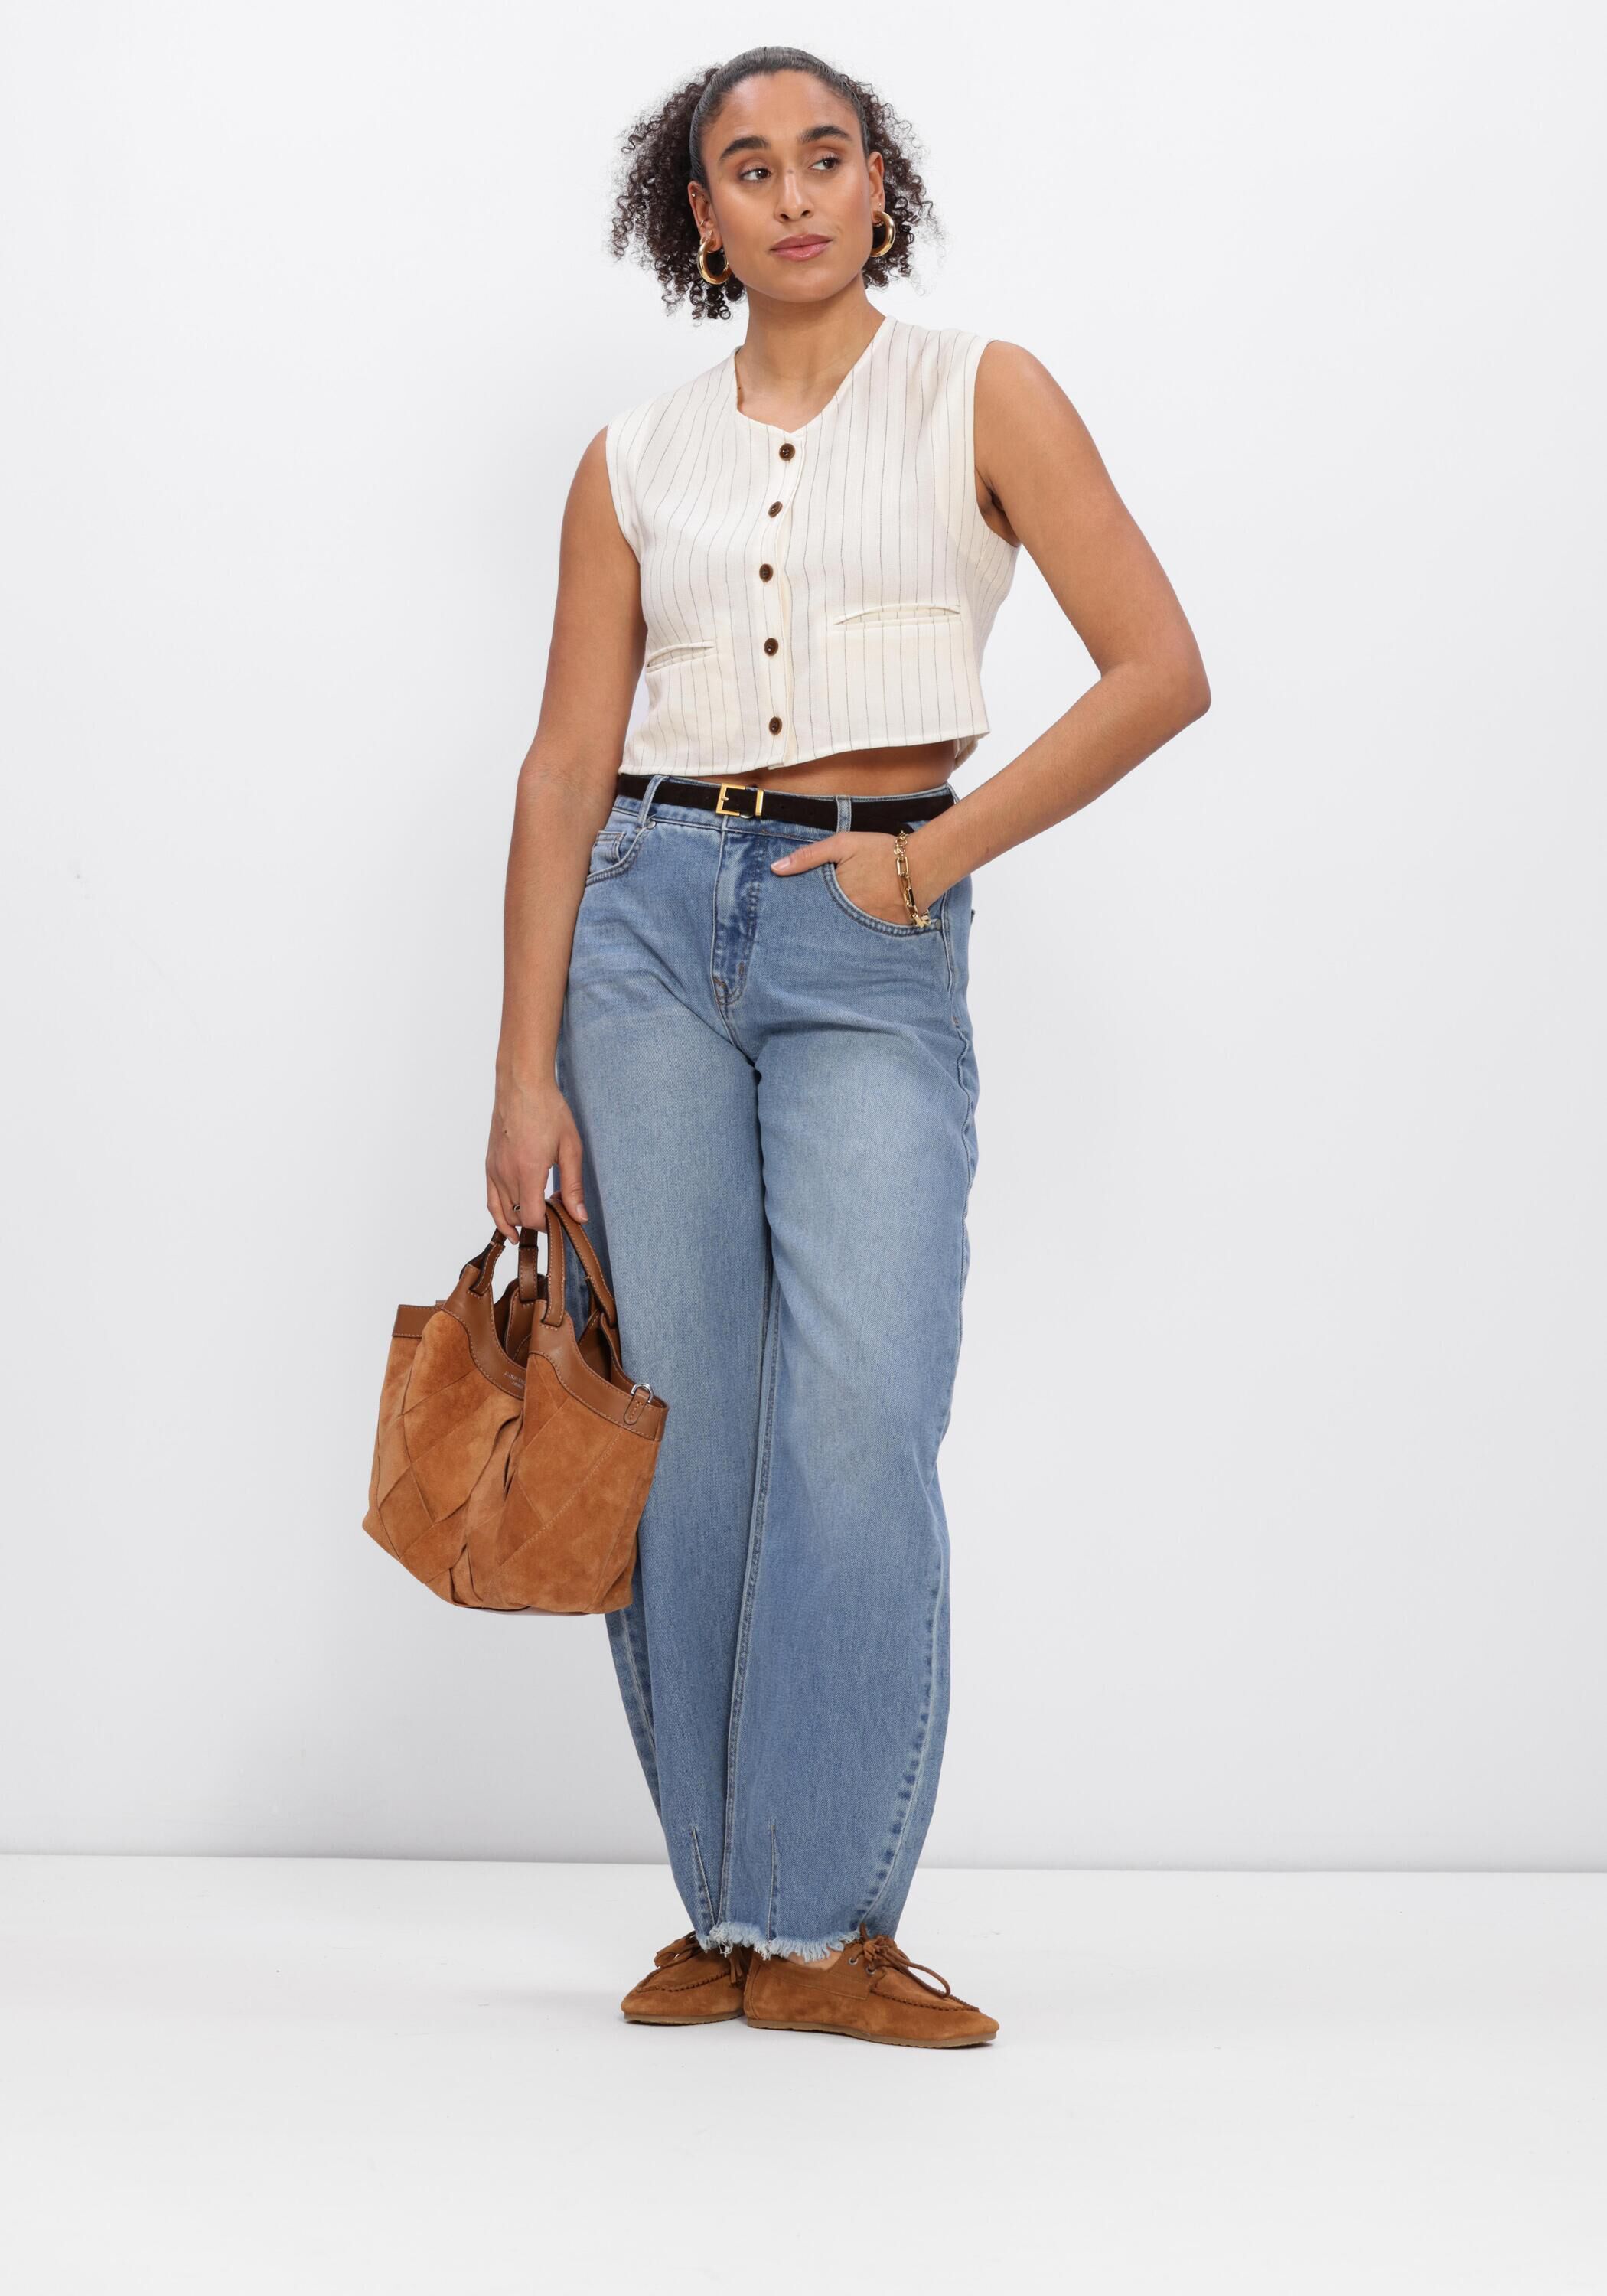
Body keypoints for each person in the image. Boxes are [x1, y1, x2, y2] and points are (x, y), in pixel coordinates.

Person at [487, 45, 1209, 2049]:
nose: (794, 192)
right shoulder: (630, 459)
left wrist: (929, 859)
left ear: (880, 187)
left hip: (866, 931)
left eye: (828, 157)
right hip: (641, 931)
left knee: (859, 1424)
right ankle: (731, 1918)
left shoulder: (983, 392)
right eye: (750, 166)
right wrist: (520, 1072)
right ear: (697, 214)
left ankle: (827, 1928)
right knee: (681, 1428)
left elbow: (1159, 668)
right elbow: (559, 765)